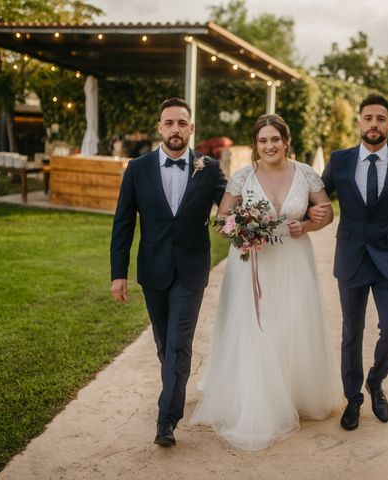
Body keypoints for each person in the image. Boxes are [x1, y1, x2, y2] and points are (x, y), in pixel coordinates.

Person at [190, 114, 341, 450]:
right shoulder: (244, 176)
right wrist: (241, 231)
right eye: (262, 141)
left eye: (275, 139)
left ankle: (292, 392)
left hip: (293, 261)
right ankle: (256, 399)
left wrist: (309, 225)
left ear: (286, 141)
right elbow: (221, 219)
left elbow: (326, 211)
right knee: (254, 328)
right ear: (256, 145)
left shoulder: (306, 174)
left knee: (291, 324)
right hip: (251, 265)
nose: (269, 146)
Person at [110, 97, 227, 447]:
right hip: (154, 270)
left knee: (179, 342)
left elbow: (231, 209)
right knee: (164, 343)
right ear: (160, 128)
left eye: (182, 123)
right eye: (169, 123)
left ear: (191, 128)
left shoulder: (210, 168)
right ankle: (172, 387)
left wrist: (251, 222)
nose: (176, 129)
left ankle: (167, 419)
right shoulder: (138, 168)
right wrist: (119, 273)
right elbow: (123, 223)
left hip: (191, 271)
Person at [318, 93, 388, 431]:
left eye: (380, 119)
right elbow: (316, 198)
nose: (374, 124)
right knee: (352, 333)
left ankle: (375, 381)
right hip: (351, 258)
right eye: (368, 118)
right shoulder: (339, 161)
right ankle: (353, 398)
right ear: (359, 124)